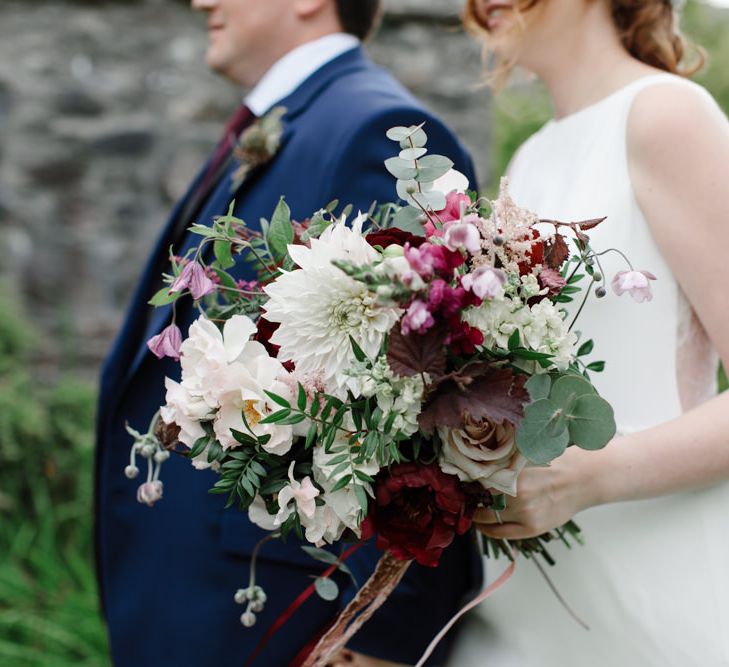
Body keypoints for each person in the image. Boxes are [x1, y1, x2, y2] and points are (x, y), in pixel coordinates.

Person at [94, 1, 482, 666]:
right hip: (186, 596)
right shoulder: (285, 121)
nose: (201, 3)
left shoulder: (378, 130)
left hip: (276, 618)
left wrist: (383, 642)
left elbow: (421, 416)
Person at [447, 0, 729, 665]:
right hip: (517, 608)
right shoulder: (531, 155)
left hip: (649, 601)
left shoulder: (665, 116)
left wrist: (594, 475)